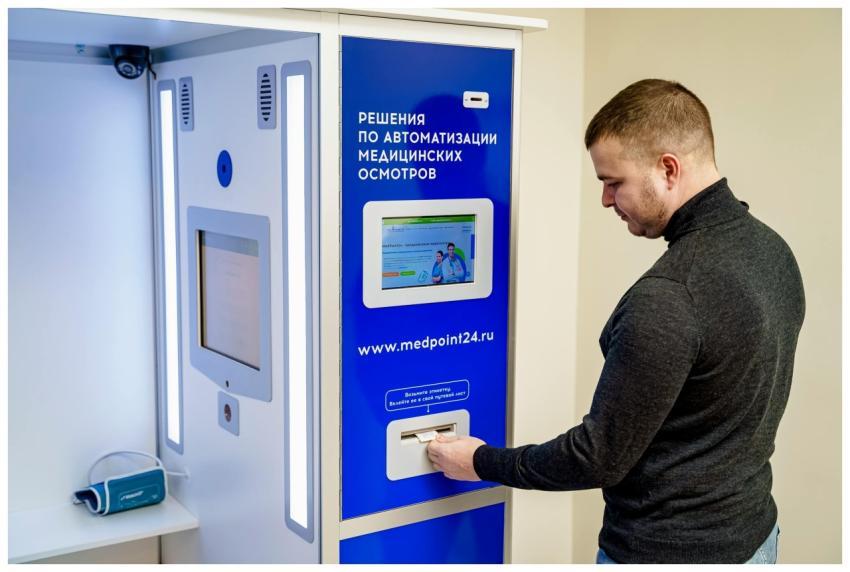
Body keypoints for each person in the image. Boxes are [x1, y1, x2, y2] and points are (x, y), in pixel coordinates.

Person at [427, 79, 805, 564]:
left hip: (666, 553)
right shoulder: (773, 251)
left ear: (668, 169)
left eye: (613, 182)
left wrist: (480, 461)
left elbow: (596, 456)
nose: (606, 200)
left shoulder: (668, 296)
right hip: (754, 537)